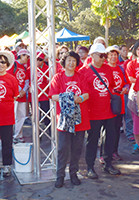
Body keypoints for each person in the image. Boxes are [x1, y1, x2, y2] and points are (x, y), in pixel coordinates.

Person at [79, 43, 121, 179]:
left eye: (105, 55)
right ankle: (90, 167)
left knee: (110, 138)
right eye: (102, 55)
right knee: (92, 140)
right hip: (93, 112)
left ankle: (108, 163)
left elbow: (112, 86)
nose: (104, 58)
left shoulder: (108, 69)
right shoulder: (84, 71)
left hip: (108, 111)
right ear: (92, 55)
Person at [49, 51, 90, 188]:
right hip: (64, 120)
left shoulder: (81, 76)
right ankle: (60, 175)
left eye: (74, 60)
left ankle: (73, 173)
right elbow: (53, 96)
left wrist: (81, 98)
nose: (71, 63)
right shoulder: (58, 77)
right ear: (64, 62)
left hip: (80, 119)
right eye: (69, 60)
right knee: (62, 149)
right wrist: (68, 97)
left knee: (77, 148)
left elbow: (87, 94)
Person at [105, 46, 129, 161]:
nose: (113, 57)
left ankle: (115, 151)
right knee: (107, 130)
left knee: (116, 128)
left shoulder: (121, 68)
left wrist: (125, 88)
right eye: (111, 55)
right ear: (107, 56)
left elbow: (126, 83)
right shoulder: (104, 69)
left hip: (119, 103)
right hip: (108, 103)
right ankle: (104, 154)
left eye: (115, 54)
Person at [126, 41, 139, 154]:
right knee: (137, 120)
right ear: (135, 51)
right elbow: (131, 79)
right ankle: (137, 143)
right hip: (135, 95)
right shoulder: (131, 64)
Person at [7, 49, 30, 143]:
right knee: (13, 116)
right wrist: (19, 90)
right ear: (21, 55)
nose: (28, 59)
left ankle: (18, 135)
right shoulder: (13, 65)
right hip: (14, 96)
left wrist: (24, 90)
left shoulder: (24, 68)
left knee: (22, 115)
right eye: (27, 56)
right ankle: (11, 135)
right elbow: (10, 79)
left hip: (22, 96)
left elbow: (26, 80)